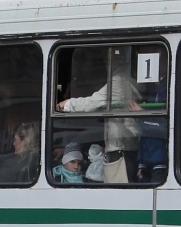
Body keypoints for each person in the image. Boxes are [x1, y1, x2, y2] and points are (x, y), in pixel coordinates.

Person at [57, 51, 141, 184]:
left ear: (122, 60)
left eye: (110, 59)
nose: (106, 63)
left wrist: (66, 105)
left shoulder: (119, 81)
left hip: (120, 149)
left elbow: (92, 103)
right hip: (125, 147)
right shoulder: (132, 81)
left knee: (119, 193)